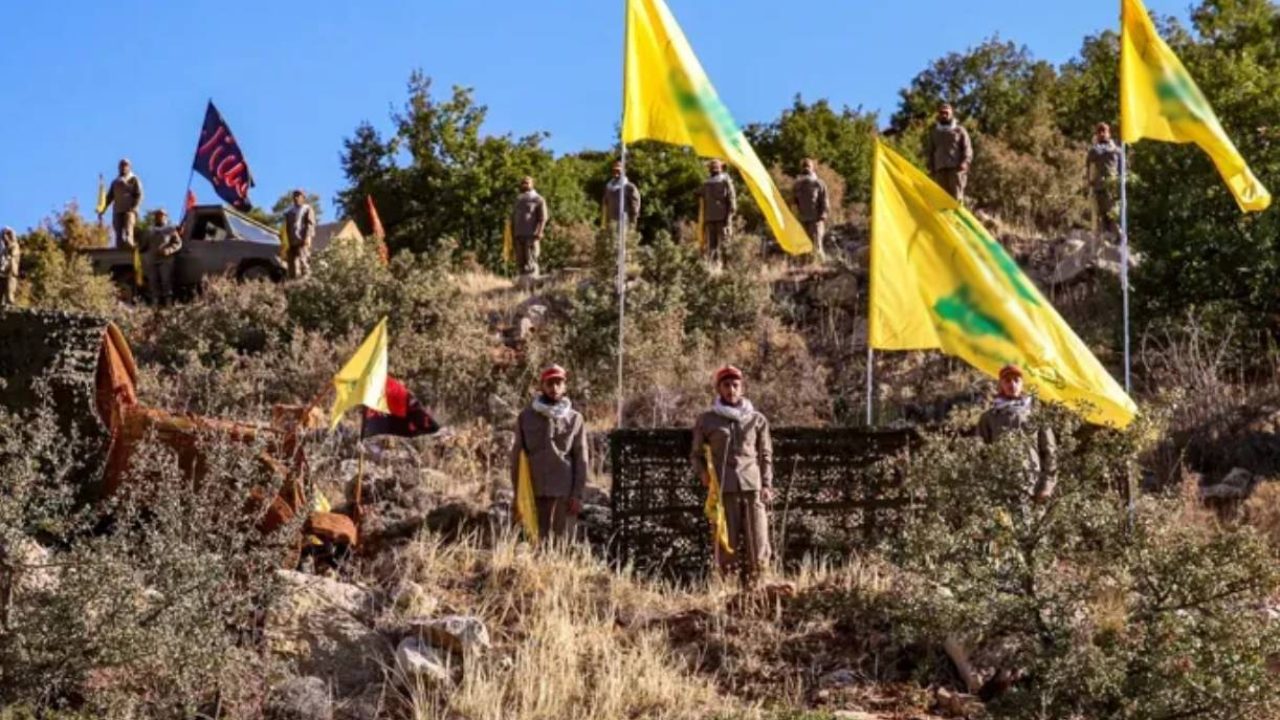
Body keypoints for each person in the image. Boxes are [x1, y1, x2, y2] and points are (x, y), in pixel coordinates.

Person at [691, 365, 774, 585]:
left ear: (742, 387)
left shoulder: (757, 419)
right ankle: (727, 587)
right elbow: (696, 454)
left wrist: (766, 484)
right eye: (726, 385)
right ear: (718, 388)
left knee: (759, 540)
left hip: (752, 487)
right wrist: (703, 476)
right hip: (723, 489)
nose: (731, 389)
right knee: (726, 543)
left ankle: (760, 587)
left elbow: (765, 454)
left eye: (735, 385)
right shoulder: (707, 420)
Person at [510, 365, 588, 542]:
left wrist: (577, 495)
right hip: (533, 491)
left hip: (563, 493)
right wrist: (517, 494)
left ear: (565, 386)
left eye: (559, 383)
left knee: (561, 544)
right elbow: (517, 457)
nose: (554, 388)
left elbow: (581, 458)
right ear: (541, 385)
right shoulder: (525, 417)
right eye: (550, 383)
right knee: (534, 540)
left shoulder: (575, 419)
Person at [977, 365, 1058, 503]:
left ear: (1022, 383)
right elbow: (981, 453)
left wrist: (1046, 487)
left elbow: (1049, 452)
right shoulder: (989, 418)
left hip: (1031, 487)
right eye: (1007, 381)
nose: (1012, 384)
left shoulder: (1036, 415)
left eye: (1016, 380)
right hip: (999, 488)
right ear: (1001, 384)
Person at [925, 103, 973, 203]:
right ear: (939, 114)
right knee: (941, 198)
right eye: (942, 113)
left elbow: (967, 148)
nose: (944, 115)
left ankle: (956, 218)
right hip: (939, 170)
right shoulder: (935, 132)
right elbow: (930, 151)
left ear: (951, 114)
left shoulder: (959, 130)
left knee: (956, 198)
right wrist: (930, 167)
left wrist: (965, 162)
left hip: (955, 170)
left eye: (946, 112)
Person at [1085, 122, 1122, 237]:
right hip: (1098, 186)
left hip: (1112, 187)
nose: (1101, 134)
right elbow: (1089, 167)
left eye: (1104, 131)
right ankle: (1106, 237)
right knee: (1101, 215)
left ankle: (1118, 236)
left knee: (1112, 213)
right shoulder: (1096, 150)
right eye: (1099, 132)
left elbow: (1122, 168)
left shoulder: (1114, 150)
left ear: (1109, 133)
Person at [99, 158, 144, 248]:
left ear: (129, 167)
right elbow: (109, 197)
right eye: (121, 165)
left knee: (128, 227)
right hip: (118, 209)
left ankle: (129, 242)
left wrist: (135, 207)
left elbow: (139, 194)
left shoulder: (133, 179)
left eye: (125, 165)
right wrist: (102, 209)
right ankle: (119, 245)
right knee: (118, 229)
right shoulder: (115, 182)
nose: (123, 167)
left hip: (129, 209)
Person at [699, 159, 737, 265]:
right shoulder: (707, 182)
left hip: (722, 218)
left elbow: (732, 200)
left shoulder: (725, 181)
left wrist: (729, 216)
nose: (713, 169)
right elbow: (700, 194)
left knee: (724, 243)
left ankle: (726, 267)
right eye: (712, 167)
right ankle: (714, 267)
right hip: (711, 218)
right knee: (713, 245)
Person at [141, 209, 183, 305]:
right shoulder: (149, 230)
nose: (159, 217)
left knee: (166, 281)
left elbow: (178, 243)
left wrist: (169, 250)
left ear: (165, 217)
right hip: (152, 260)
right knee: (153, 282)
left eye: (162, 215)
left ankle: (168, 304)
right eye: (157, 215)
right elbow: (143, 245)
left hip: (166, 260)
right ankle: (154, 304)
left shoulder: (170, 229)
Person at [792, 158, 830, 260]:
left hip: (816, 220)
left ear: (813, 168)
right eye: (804, 166)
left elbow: (825, 201)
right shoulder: (797, 185)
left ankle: (820, 267)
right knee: (803, 247)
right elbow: (794, 203)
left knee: (817, 246)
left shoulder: (819, 183)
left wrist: (822, 216)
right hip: (802, 220)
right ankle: (803, 269)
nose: (806, 169)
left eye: (808, 166)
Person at [511, 177, 549, 278]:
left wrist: (539, 231)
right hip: (519, 235)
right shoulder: (519, 199)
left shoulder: (538, 199)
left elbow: (543, 218)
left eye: (527, 183)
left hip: (531, 235)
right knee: (520, 261)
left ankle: (532, 284)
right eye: (523, 183)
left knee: (531, 260)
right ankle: (521, 287)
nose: (524, 184)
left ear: (532, 184)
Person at [283, 189, 316, 279]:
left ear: (303, 198)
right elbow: (286, 227)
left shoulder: (307, 209)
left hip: (302, 240)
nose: (296, 197)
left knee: (304, 261)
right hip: (291, 242)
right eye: (295, 196)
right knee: (291, 265)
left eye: (298, 195)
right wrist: (285, 241)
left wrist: (308, 237)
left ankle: (306, 283)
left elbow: (310, 224)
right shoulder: (289, 211)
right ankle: (293, 284)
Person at [602, 160, 641, 228]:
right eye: (614, 170)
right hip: (611, 223)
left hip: (624, 222)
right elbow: (605, 205)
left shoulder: (629, 186)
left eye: (618, 170)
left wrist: (633, 222)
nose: (616, 173)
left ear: (623, 171)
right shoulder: (608, 187)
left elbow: (635, 206)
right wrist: (604, 223)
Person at [0, 227, 19, 306]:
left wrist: (4, 265)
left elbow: (11, 257)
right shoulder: (4, 249)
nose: (4, 239)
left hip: (10, 274)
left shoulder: (14, 246)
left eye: (4, 235)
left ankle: (11, 313)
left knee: (9, 295)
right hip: (2, 274)